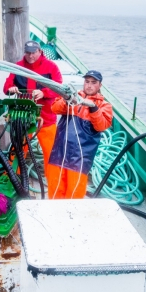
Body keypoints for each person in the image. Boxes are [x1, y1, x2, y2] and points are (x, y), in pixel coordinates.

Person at [3, 41, 63, 187]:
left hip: (46, 118)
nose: (30, 56)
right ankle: (11, 178)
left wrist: (44, 92)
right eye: (27, 52)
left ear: (39, 51)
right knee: (17, 148)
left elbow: (59, 88)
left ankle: (54, 182)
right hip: (22, 118)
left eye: (33, 52)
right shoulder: (17, 66)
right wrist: (11, 89)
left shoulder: (52, 67)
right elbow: (6, 87)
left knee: (52, 153)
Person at [48, 70, 113, 199]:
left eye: (93, 83)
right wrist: (67, 100)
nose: (89, 85)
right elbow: (54, 108)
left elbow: (101, 125)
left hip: (80, 159)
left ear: (100, 86)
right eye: (87, 82)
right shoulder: (73, 96)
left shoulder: (104, 106)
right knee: (55, 189)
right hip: (59, 152)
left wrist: (93, 108)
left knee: (75, 193)